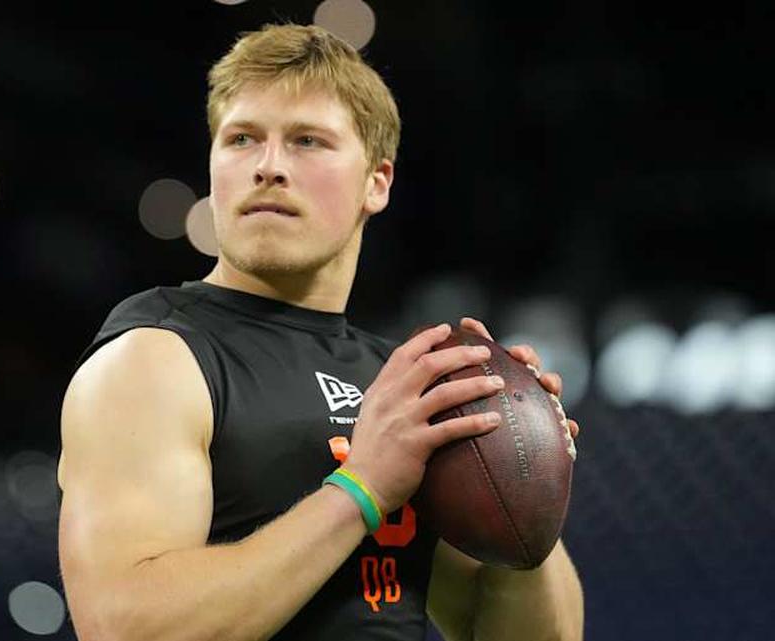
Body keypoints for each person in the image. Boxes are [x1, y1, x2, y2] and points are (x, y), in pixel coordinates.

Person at [57, 23, 583, 641]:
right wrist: (361, 488)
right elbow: (126, 627)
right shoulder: (154, 356)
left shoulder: (399, 386)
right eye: (242, 139)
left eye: (307, 141)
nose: (268, 167)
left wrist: (527, 491)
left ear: (376, 183)